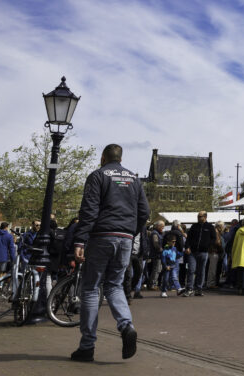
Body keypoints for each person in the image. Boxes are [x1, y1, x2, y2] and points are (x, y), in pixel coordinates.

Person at [70, 143, 150, 362]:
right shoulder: (134, 178)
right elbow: (145, 211)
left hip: (101, 236)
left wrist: (80, 239)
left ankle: (87, 347)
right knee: (115, 285)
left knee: (90, 288)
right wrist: (130, 232)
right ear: (121, 159)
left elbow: (89, 209)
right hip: (125, 238)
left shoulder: (98, 176)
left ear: (103, 158)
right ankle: (126, 326)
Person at [184, 211, 217, 297]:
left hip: (203, 252)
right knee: (191, 269)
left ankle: (199, 289)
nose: (198, 218)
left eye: (200, 216)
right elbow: (188, 238)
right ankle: (189, 289)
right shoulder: (194, 226)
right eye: (198, 216)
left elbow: (214, 238)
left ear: (205, 217)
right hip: (193, 252)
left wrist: (208, 246)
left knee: (201, 271)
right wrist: (187, 247)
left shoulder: (210, 227)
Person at [147, 220, 165, 291]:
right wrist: (162, 250)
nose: (163, 228)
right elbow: (156, 244)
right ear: (158, 226)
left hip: (157, 255)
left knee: (157, 269)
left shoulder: (158, 233)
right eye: (162, 227)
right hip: (156, 255)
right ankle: (152, 284)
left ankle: (152, 284)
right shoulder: (155, 233)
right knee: (156, 270)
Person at [206, 221, 224, 289]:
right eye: (222, 226)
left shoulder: (214, 231)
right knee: (212, 269)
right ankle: (210, 284)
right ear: (220, 226)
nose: (223, 228)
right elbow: (217, 242)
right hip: (214, 252)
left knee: (211, 269)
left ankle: (210, 283)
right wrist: (221, 248)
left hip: (212, 251)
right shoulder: (216, 232)